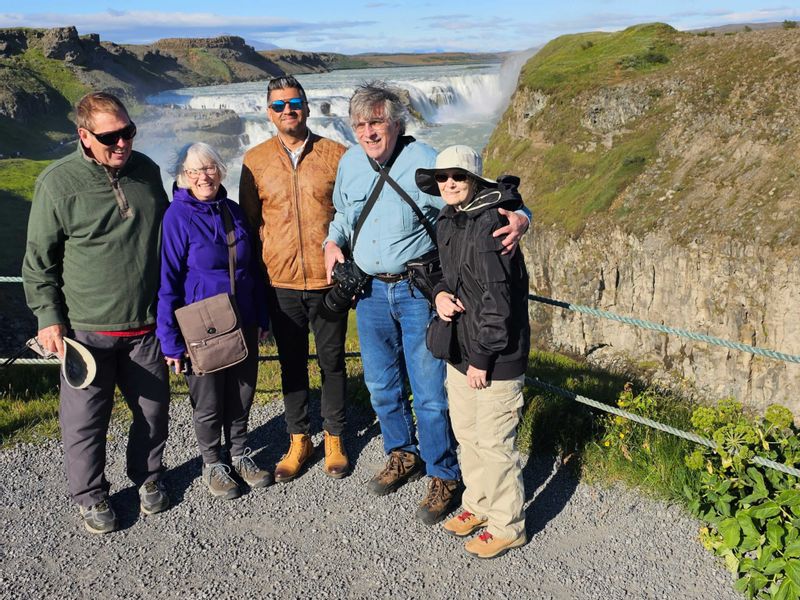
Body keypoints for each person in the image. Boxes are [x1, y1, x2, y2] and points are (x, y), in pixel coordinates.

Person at [323, 82, 529, 525]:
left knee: (431, 392)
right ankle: (402, 454)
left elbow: (482, 198)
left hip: (421, 291)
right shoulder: (349, 163)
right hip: (371, 291)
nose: (368, 131)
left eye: (377, 121)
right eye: (360, 124)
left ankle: (444, 474)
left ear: (396, 123)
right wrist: (330, 243)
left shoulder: (427, 162)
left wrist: (522, 216)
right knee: (381, 385)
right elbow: (342, 215)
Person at [22, 91, 171, 534]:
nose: (122, 143)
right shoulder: (57, 183)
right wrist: (48, 316)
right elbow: (38, 260)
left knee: (153, 411)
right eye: (111, 137)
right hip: (86, 332)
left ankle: (148, 478)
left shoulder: (145, 170)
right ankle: (90, 496)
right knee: (85, 420)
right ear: (84, 136)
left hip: (146, 324)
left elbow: (168, 234)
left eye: (128, 132)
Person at [416, 145, 530, 559]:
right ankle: (478, 505)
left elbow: (499, 304)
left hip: (494, 357)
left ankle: (507, 525)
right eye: (443, 177)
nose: (448, 183)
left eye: (457, 177)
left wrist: (482, 358)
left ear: (475, 181)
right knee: (468, 435)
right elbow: (442, 272)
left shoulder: (492, 224)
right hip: (462, 349)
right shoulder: (451, 219)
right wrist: (440, 293)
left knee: (495, 442)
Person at [239, 76, 349, 482]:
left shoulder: (337, 154)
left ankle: (335, 436)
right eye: (279, 105)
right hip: (280, 281)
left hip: (328, 281)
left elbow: (353, 214)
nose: (288, 110)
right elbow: (250, 223)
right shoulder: (254, 160)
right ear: (269, 113)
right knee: (291, 365)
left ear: (307, 105)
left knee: (333, 362)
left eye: (295, 102)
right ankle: (298, 438)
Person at [157, 142, 271, 500]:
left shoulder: (234, 211)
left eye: (209, 168)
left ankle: (239, 453)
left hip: (243, 318)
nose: (203, 176)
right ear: (183, 177)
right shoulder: (177, 216)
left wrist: (261, 315)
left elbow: (252, 269)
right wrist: (170, 339)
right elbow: (168, 280)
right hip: (200, 326)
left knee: (242, 391)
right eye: (194, 171)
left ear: (220, 170)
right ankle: (212, 462)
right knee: (207, 400)